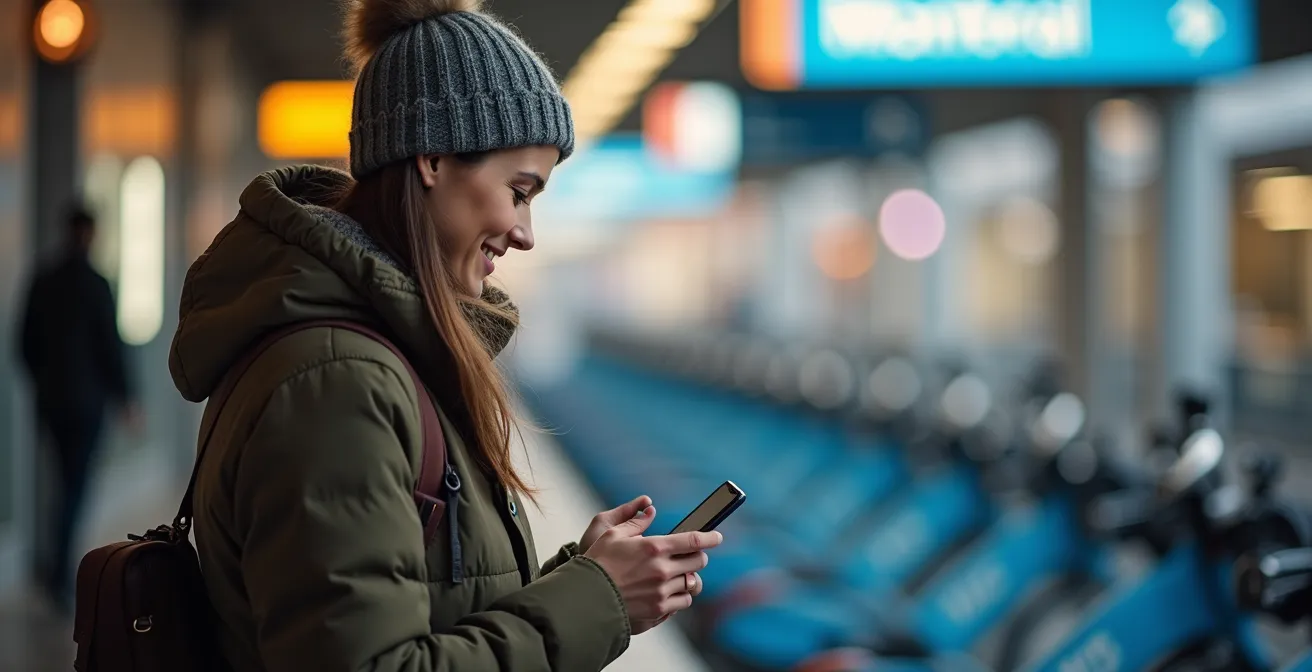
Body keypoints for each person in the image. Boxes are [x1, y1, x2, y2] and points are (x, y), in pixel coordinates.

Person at [167, 0, 722, 670]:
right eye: (519, 191)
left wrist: (587, 576)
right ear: (432, 157)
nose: (525, 233)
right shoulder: (338, 380)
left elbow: (426, 607)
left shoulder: (371, 357)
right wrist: (598, 600)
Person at [18, 205, 137, 610]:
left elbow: (24, 344)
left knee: (63, 482)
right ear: (91, 234)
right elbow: (110, 347)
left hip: (52, 402)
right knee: (75, 487)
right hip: (87, 405)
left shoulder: (43, 280)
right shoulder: (96, 284)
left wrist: (44, 382)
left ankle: (55, 565)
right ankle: (59, 572)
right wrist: (126, 398)